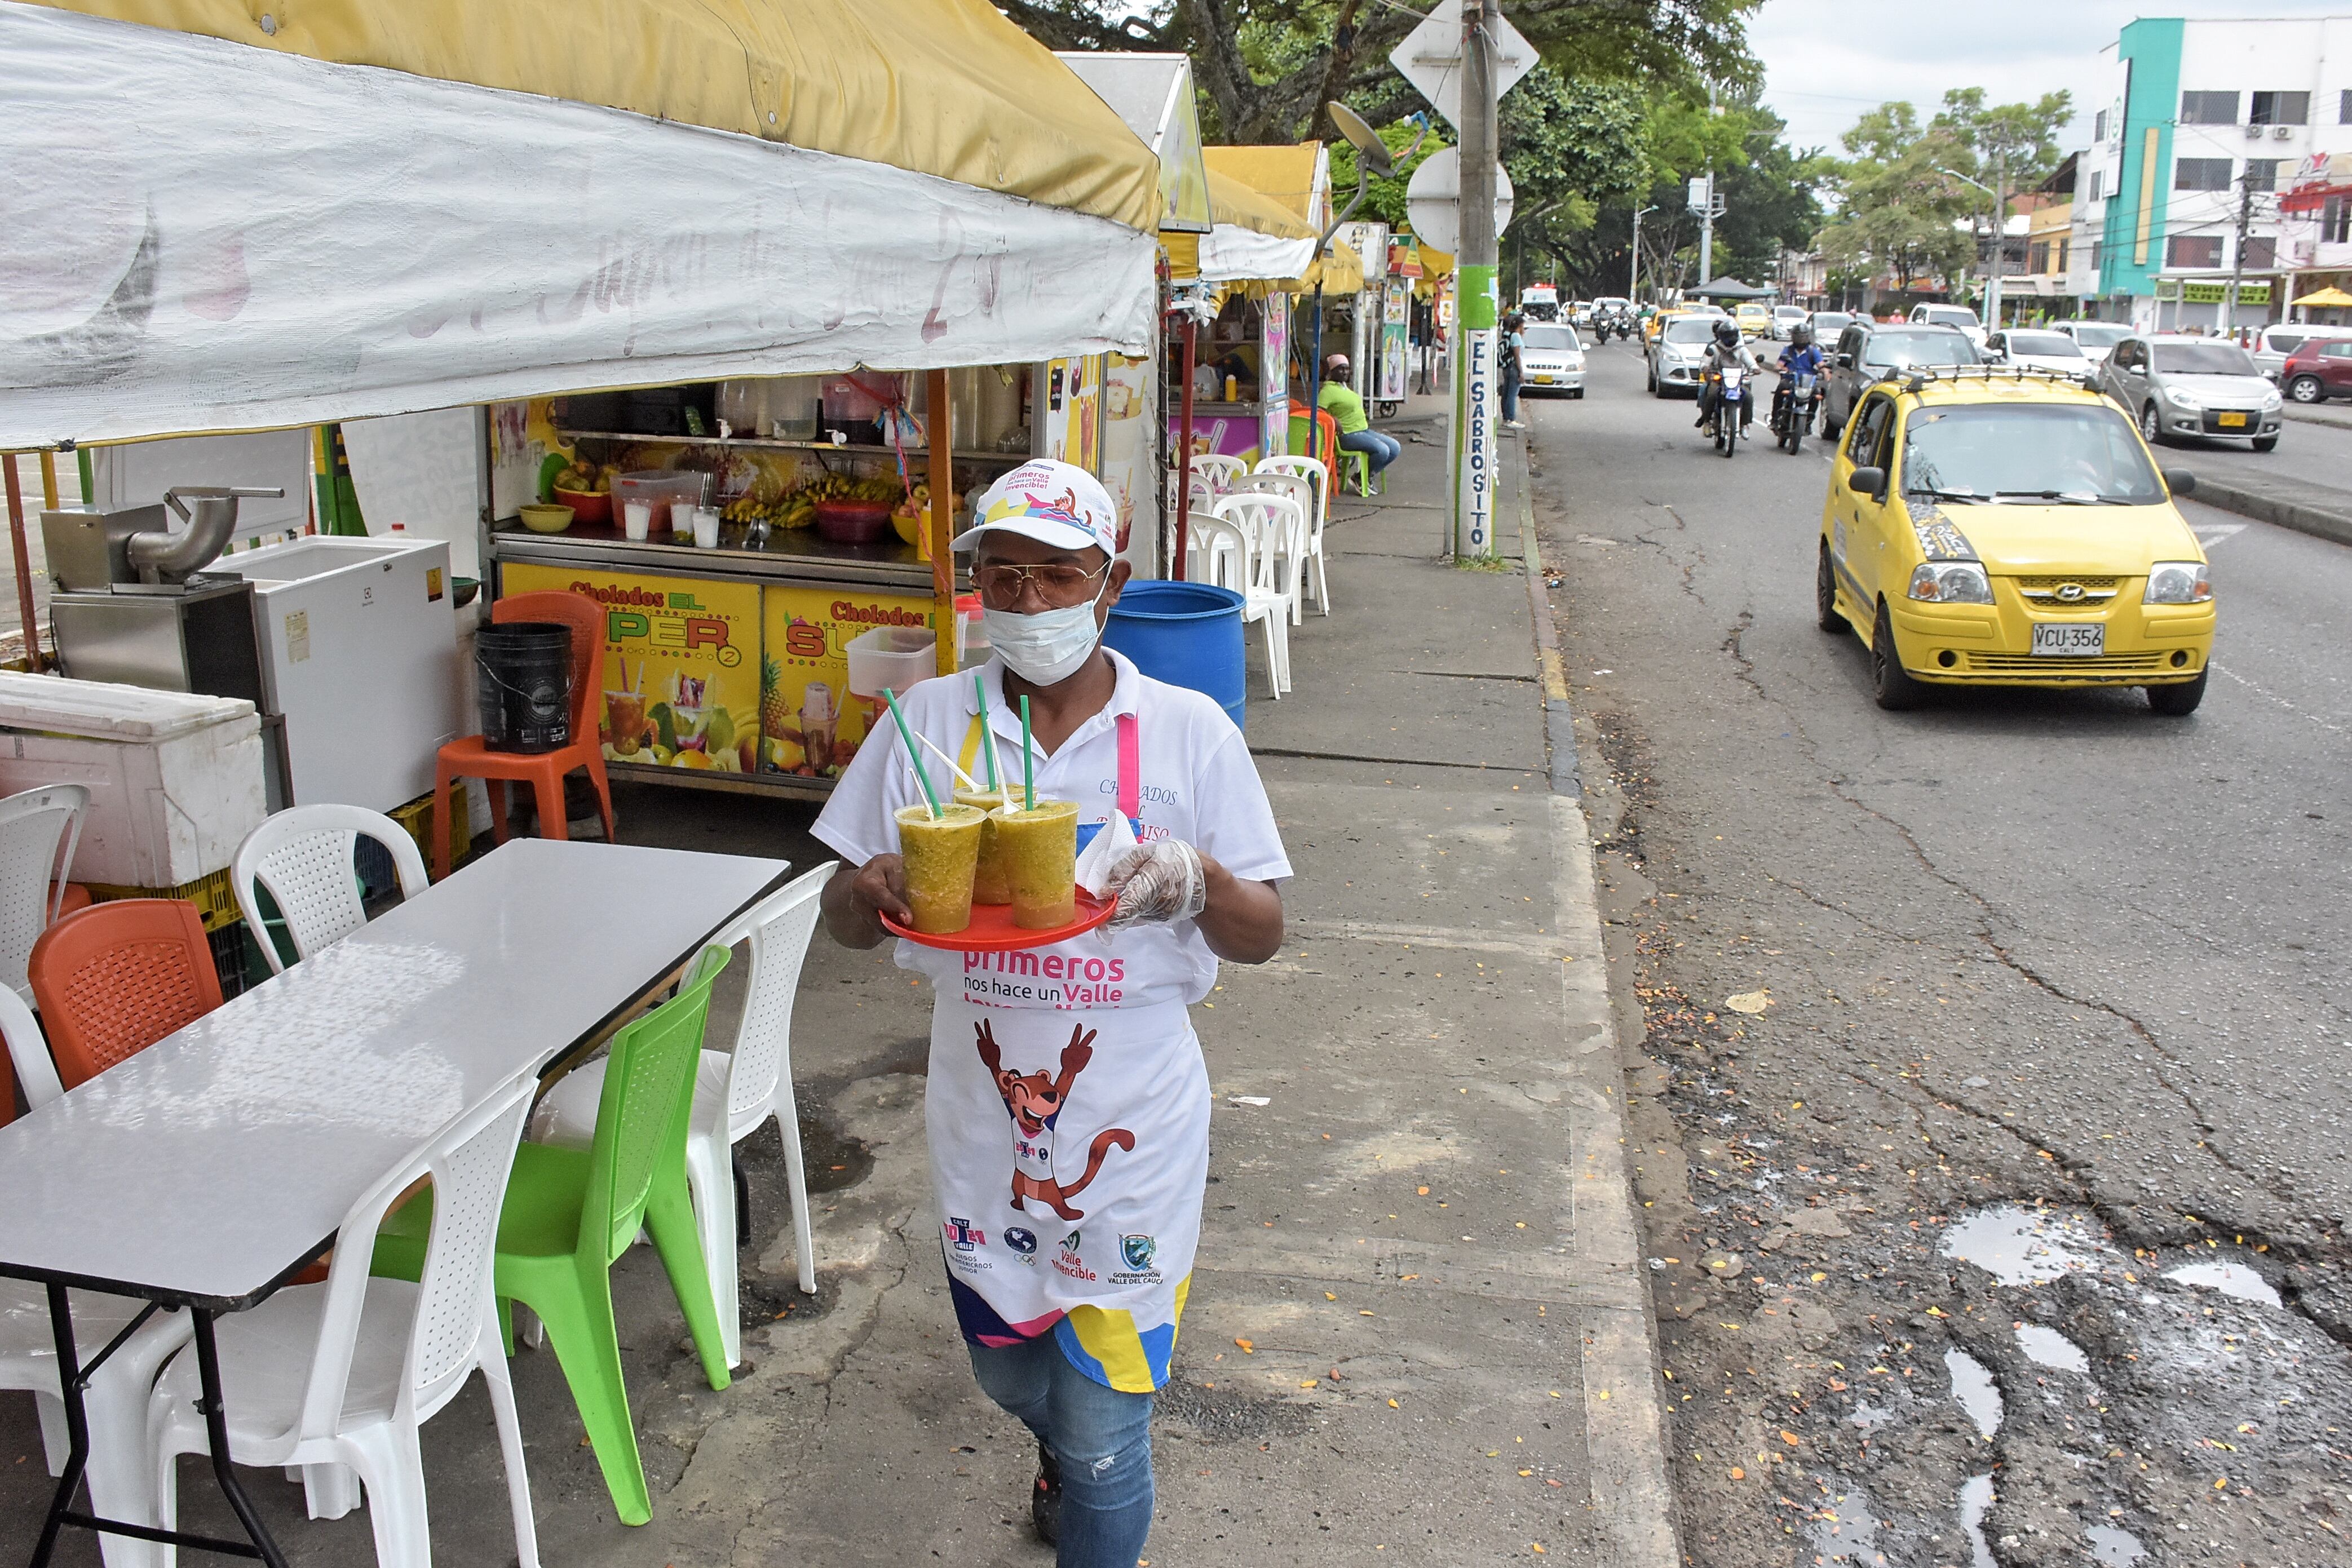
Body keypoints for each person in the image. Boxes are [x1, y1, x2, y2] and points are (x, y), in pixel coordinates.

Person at [814, 459, 1290, 1568]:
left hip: (1133, 1131)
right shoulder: (927, 724)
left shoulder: (1185, 731)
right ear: (974, 582)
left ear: (1109, 583)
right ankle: (1056, 1452)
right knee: (1008, 1370)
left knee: (1107, 1432)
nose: (1027, 602)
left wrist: (1197, 878)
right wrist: (868, 888)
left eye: (1057, 575)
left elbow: (1264, 928)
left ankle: (1082, 1474)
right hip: (985, 1131)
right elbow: (842, 917)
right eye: (1003, 576)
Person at [1318, 354, 1401, 475]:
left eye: (1347, 369)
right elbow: (1318, 412)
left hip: (1363, 430)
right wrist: (1332, 419)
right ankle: (1363, 478)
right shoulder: (1327, 391)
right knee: (1382, 450)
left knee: (1395, 448)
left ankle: (1364, 476)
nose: (1345, 372)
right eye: (1341, 369)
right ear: (1332, 371)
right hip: (1346, 435)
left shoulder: (1345, 388)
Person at [1694, 319, 1761, 432]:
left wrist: (1755, 369)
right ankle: (1707, 420)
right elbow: (1705, 363)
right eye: (1728, 335)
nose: (1731, 338)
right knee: (1712, 394)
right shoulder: (1714, 349)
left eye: (1733, 335)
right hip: (1719, 380)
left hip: (1737, 380)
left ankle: (1745, 424)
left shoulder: (1742, 349)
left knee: (1748, 396)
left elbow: (1751, 363)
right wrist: (1706, 369)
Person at [1499, 312, 1526, 426]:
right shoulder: (1516, 336)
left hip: (1507, 368)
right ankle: (1510, 419)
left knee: (1506, 393)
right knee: (1512, 394)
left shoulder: (1508, 334)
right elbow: (1517, 355)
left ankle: (1506, 418)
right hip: (1514, 368)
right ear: (1520, 326)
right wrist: (1521, 372)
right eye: (1523, 327)